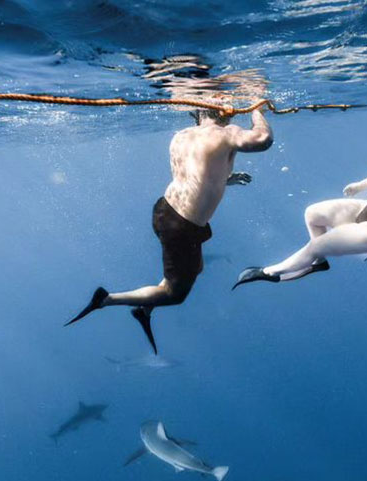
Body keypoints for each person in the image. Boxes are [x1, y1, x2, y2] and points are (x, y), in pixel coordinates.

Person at [66, 103, 273, 353]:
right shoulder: (225, 134)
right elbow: (263, 139)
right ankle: (107, 300)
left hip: (168, 212)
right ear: (224, 111)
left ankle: (146, 307)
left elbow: (192, 176)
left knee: (195, 268)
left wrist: (226, 180)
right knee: (175, 294)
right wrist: (258, 110)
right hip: (181, 227)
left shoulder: (182, 136)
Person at [232, 113, 367, 289]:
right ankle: (318, 263)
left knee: (317, 245)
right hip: (366, 209)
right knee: (312, 213)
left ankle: (270, 272)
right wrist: (361, 185)